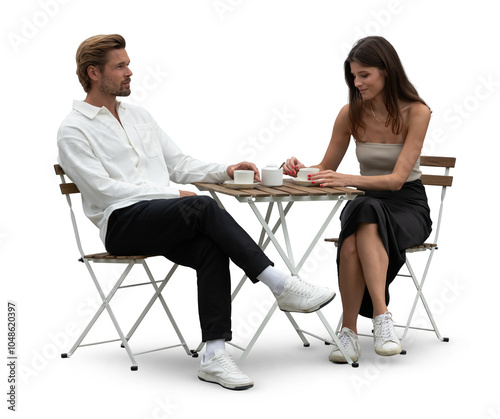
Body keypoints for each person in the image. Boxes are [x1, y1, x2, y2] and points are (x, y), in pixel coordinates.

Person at [57, 34, 335, 390]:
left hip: (166, 218)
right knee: (201, 206)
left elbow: (179, 163)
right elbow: (103, 190)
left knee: (211, 245)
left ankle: (214, 355)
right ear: (94, 72)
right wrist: (173, 195)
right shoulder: (73, 130)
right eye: (120, 66)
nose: (130, 71)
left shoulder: (139, 116)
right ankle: (279, 284)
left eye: (128, 63)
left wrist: (225, 171)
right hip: (122, 223)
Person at [283, 36, 432, 363]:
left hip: (407, 205)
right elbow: (325, 169)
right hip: (367, 203)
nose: (357, 82)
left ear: (387, 71)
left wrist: (347, 179)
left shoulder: (416, 112)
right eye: (353, 76)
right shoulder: (350, 113)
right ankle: (381, 319)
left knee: (359, 222)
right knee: (363, 211)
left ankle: (350, 330)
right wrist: (298, 170)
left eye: (364, 74)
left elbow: (395, 181)